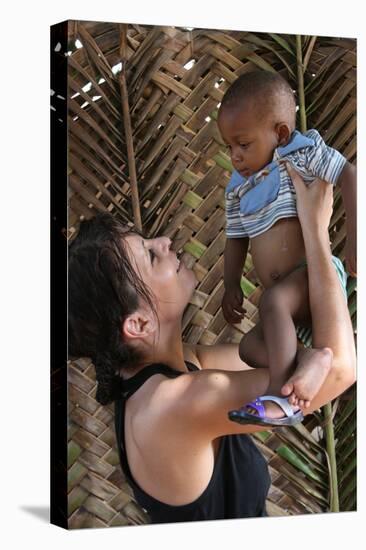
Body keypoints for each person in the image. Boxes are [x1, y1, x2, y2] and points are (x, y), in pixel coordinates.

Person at [68, 167, 355, 524]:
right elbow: (341, 369)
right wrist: (316, 231)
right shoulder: (172, 404)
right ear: (138, 324)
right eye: (151, 255)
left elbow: (269, 356)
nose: (164, 242)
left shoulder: (175, 367)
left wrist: (309, 356)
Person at [217, 71, 356, 426]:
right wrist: (231, 283)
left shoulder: (301, 152)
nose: (235, 156)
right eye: (229, 147)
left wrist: (357, 238)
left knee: (272, 301)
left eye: (243, 144)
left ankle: (281, 393)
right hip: (288, 307)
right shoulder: (237, 187)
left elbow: (349, 175)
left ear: (279, 134)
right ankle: (310, 359)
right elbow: (235, 238)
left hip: (313, 278)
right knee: (249, 346)